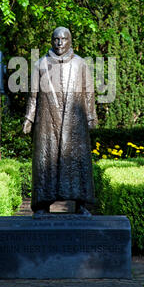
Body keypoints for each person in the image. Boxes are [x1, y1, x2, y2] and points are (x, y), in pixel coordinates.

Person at [23, 27, 98, 216]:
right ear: (51, 41)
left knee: (77, 160)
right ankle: (42, 205)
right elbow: (33, 95)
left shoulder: (80, 64)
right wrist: (29, 118)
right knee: (45, 160)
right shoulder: (41, 64)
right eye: (56, 39)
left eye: (63, 39)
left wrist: (90, 116)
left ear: (70, 41)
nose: (59, 43)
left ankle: (81, 204)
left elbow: (89, 93)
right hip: (47, 119)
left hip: (75, 121)